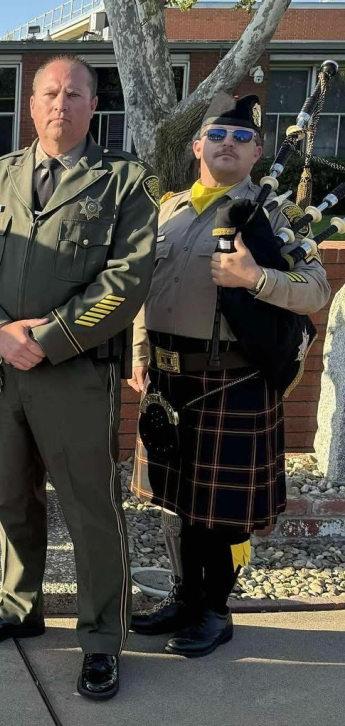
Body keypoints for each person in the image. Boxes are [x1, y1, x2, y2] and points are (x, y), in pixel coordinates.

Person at [0, 55, 159, 700]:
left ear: (94, 105)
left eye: (73, 93)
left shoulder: (125, 182)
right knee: (12, 495)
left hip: (75, 372)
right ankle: (19, 606)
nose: (59, 104)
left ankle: (100, 637)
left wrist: (48, 337)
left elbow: (127, 278)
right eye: (48, 93)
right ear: (30, 105)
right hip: (3, 367)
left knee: (91, 507)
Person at [128, 96, 330, 655]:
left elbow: (316, 289)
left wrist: (255, 278)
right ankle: (181, 597)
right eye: (217, 135)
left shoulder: (271, 215)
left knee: (219, 511)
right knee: (174, 501)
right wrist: (140, 352)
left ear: (258, 152)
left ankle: (215, 611)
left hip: (233, 382)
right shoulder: (166, 210)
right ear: (197, 146)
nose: (228, 145)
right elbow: (144, 289)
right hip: (167, 382)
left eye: (242, 139)